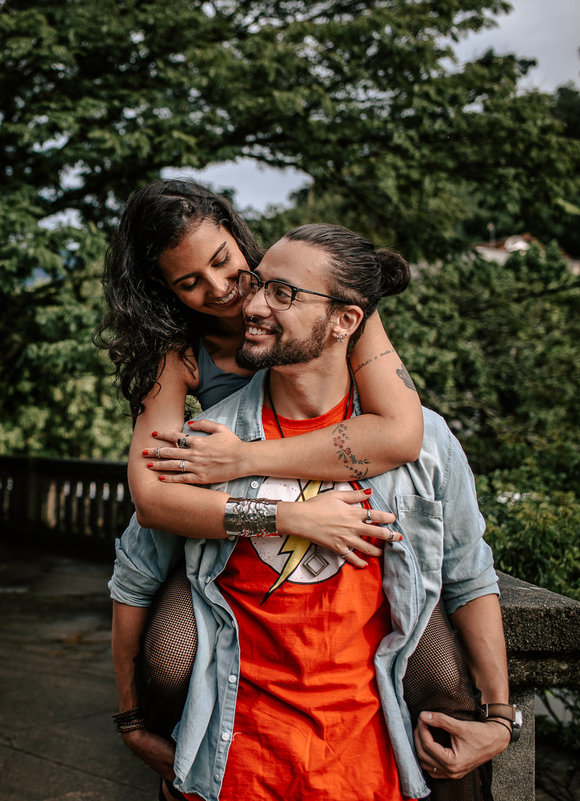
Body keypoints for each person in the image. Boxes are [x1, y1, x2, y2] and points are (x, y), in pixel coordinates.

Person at [109, 223, 514, 801]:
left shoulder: (422, 445)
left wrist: (499, 719)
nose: (250, 304)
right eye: (258, 286)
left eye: (284, 293)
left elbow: (470, 575)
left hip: (375, 765)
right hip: (234, 765)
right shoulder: (208, 443)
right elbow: (137, 574)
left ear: (347, 320)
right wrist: (131, 722)